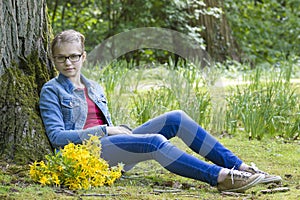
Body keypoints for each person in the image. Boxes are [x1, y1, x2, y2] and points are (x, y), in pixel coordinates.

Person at [39, 29, 282, 193]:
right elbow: (57, 138)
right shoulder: (52, 91)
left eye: (73, 56)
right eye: (61, 58)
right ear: (54, 60)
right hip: (87, 156)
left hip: (112, 149)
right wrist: (107, 129)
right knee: (154, 142)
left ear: (84, 57)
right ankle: (221, 177)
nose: (68, 63)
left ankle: (240, 167)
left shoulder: (95, 87)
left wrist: (116, 132)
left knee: (175, 118)